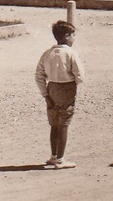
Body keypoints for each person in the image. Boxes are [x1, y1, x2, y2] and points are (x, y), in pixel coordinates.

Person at [35, 19, 85, 170]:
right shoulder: (71, 53)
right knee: (64, 123)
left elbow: (39, 75)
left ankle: (53, 156)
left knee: (54, 123)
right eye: (73, 35)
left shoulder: (47, 53)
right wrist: (73, 82)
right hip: (67, 88)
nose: (74, 38)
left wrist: (45, 94)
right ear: (67, 36)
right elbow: (80, 75)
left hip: (51, 88)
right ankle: (61, 159)